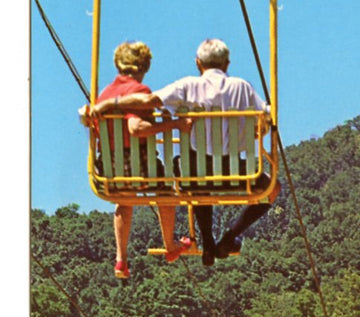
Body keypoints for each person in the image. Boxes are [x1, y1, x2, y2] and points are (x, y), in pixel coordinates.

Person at [89, 39, 280, 267]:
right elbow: (266, 120)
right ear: (227, 64)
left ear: (198, 63)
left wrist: (109, 104)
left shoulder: (187, 85)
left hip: (194, 176)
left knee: (195, 176)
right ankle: (231, 235)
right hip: (239, 174)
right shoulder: (243, 87)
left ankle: (207, 241)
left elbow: (150, 100)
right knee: (273, 189)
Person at [86, 41, 192, 279]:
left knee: (124, 201)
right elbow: (135, 127)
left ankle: (121, 259)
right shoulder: (139, 91)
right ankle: (170, 244)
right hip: (141, 168)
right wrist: (174, 124)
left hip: (110, 172)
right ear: (144, 66)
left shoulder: (104, 94)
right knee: (167, 192)